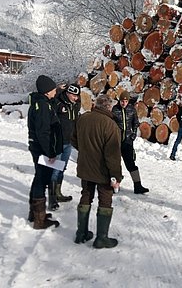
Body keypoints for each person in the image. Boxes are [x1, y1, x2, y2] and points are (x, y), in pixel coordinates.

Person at [71, 94, 123, 248]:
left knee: (86, 196)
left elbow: (73, 139)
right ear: (109, 107)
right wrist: (116, 177)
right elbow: (113, 156)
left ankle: (81, 233)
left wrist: (85, 150)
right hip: (102, 172)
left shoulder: (83, 119)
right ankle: (101, 238)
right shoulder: (110, 126)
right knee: (105, 200)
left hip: (85, 167)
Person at [27, 75, 63, 229]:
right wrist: (50, 152)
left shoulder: (41, 103)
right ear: (47, 91)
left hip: (38, 148)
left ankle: (35, 213)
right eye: (54, 89)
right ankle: (39, 219)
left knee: (38, 178)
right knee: (41, 179)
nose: (55, 91)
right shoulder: (42, 106)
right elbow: (43, 132)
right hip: (42, 149)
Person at [48, 83, 81, 211]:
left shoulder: (75, 105)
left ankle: (58, 193)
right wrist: (56, 89)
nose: (76, 98)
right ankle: (51, 200)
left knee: (62, 168)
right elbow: (48, 102)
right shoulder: (58, 103)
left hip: (68, 143)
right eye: (74, 95)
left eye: (77, 96)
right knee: (54, 170)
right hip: (57, 142)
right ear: (68, 93)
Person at [112, 91, 149, 194]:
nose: (124, 103)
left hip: (128, 141)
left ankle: (138, 185)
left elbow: (136, 123)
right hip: (116, 141)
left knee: (131, 163)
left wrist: (134, 134)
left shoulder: (131, 110)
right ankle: (114, 185)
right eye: (122, 101)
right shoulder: (114, 110)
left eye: (126, 101)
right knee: (114, 164)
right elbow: (110, 124)